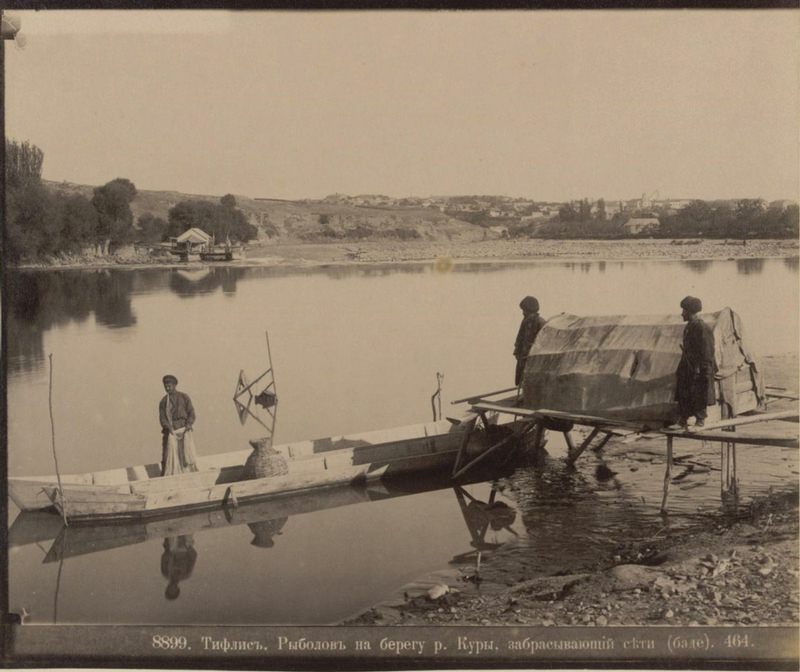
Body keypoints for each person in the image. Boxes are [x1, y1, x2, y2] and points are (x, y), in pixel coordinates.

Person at [671, 296, 717, 429]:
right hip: (688, 366)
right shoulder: (689, 327)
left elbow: (707, 351)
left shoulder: (701, 327)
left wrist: (704, 370)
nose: (682, 314)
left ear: (690, 311)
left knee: (700, 391)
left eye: (684, 311)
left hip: (699, 368)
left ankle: (700, 421)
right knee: (684, 391)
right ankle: (683, 419)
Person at [159, 374, 199, 476]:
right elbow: (163, 418)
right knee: (170, 458)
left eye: (169, 385)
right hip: (171, 432)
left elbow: (191, 413)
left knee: (186, 454)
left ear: (174, 385)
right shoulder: (163, 402)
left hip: (184, 430)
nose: (167, 388)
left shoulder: (184, 397)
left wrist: (189, 424)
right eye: (165, 386)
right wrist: (168, 428)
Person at [513, 296, 546, 386]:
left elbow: (544, 341)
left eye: (525, 310)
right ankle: (524, 391)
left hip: (533, 356)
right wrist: (517, 350)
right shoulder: (525, 322)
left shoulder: (540, 322)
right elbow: (520, 338)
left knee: (531, 377)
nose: (523, 313)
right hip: (523, 355)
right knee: (523, 376)